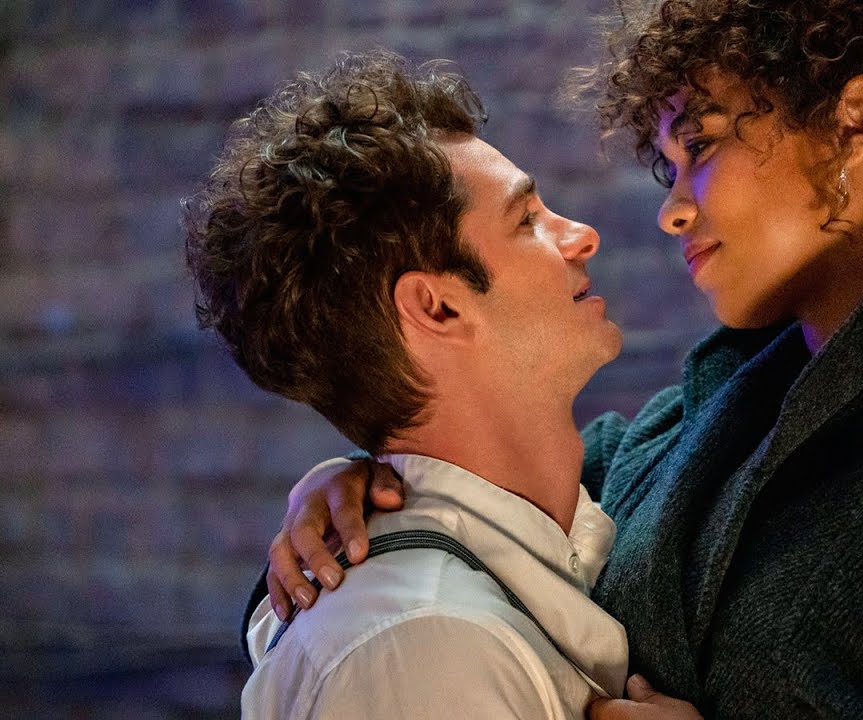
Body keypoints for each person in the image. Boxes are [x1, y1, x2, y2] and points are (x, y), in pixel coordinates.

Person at [260, 2, 863, 718]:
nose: (674, 210)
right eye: (671, 165)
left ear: (855, 124)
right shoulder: (716, 408)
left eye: (699, 146)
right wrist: (364, 491)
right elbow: (488, 520)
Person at [184, 50, 701, 719]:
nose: (581, 236)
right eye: (526, 220)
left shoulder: (541, 552)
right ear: (438, 308)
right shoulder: (426, 644)